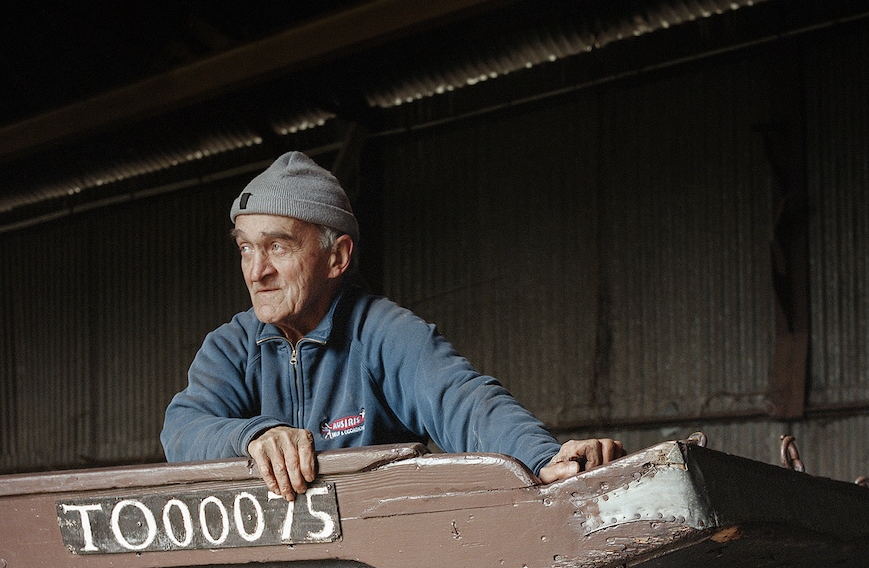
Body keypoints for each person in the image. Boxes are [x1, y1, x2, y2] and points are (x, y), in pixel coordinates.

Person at [161, 152, 623, 497]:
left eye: (277, 247)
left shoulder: (383, 334)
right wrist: (254, 435)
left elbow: (462, 399)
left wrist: (545, 458)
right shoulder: (231, 347)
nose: (256, 271)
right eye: (246, 248)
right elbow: (182, 429)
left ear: (337, 257)